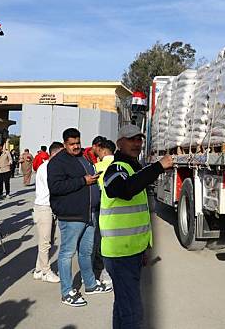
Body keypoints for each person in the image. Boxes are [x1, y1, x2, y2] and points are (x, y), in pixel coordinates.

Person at [100, 124, 173, 328]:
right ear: (119, 143)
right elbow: (124, 189)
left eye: (139, 139)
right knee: (133, 312)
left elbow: (138, 214)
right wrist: (158, 166)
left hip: (132, 251)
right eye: (131, 139)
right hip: (118, 254)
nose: (136, 144)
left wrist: (144, 248)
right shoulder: (115, 169)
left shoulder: (133, 168)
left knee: (123, 306)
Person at [48, 128, 112, 307]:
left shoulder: (83, 157)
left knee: (87, 252)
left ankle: (90, 284)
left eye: (78, 142)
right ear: (65, 143)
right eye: (72, 144)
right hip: (71, 216)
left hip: (89, 214)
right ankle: (67, 291)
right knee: (67, 253)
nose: (76, 146)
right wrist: (83, 181)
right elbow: (56, 187)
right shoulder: (57, 162)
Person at [32, 141, 63, 283]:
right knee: (45, 242)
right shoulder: (48, 168)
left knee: (47, 241)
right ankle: (46, 271)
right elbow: (54, 189)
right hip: (44, 207)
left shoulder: (46, 167)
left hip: (47, 207)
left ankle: (39, 269)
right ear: (55, 153)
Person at [92, 139, 116, 283]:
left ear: (104, 150)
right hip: (118, 214)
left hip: (102, 212)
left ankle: (104, 274)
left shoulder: (97, 167)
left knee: (101, 243)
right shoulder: (120, 165)